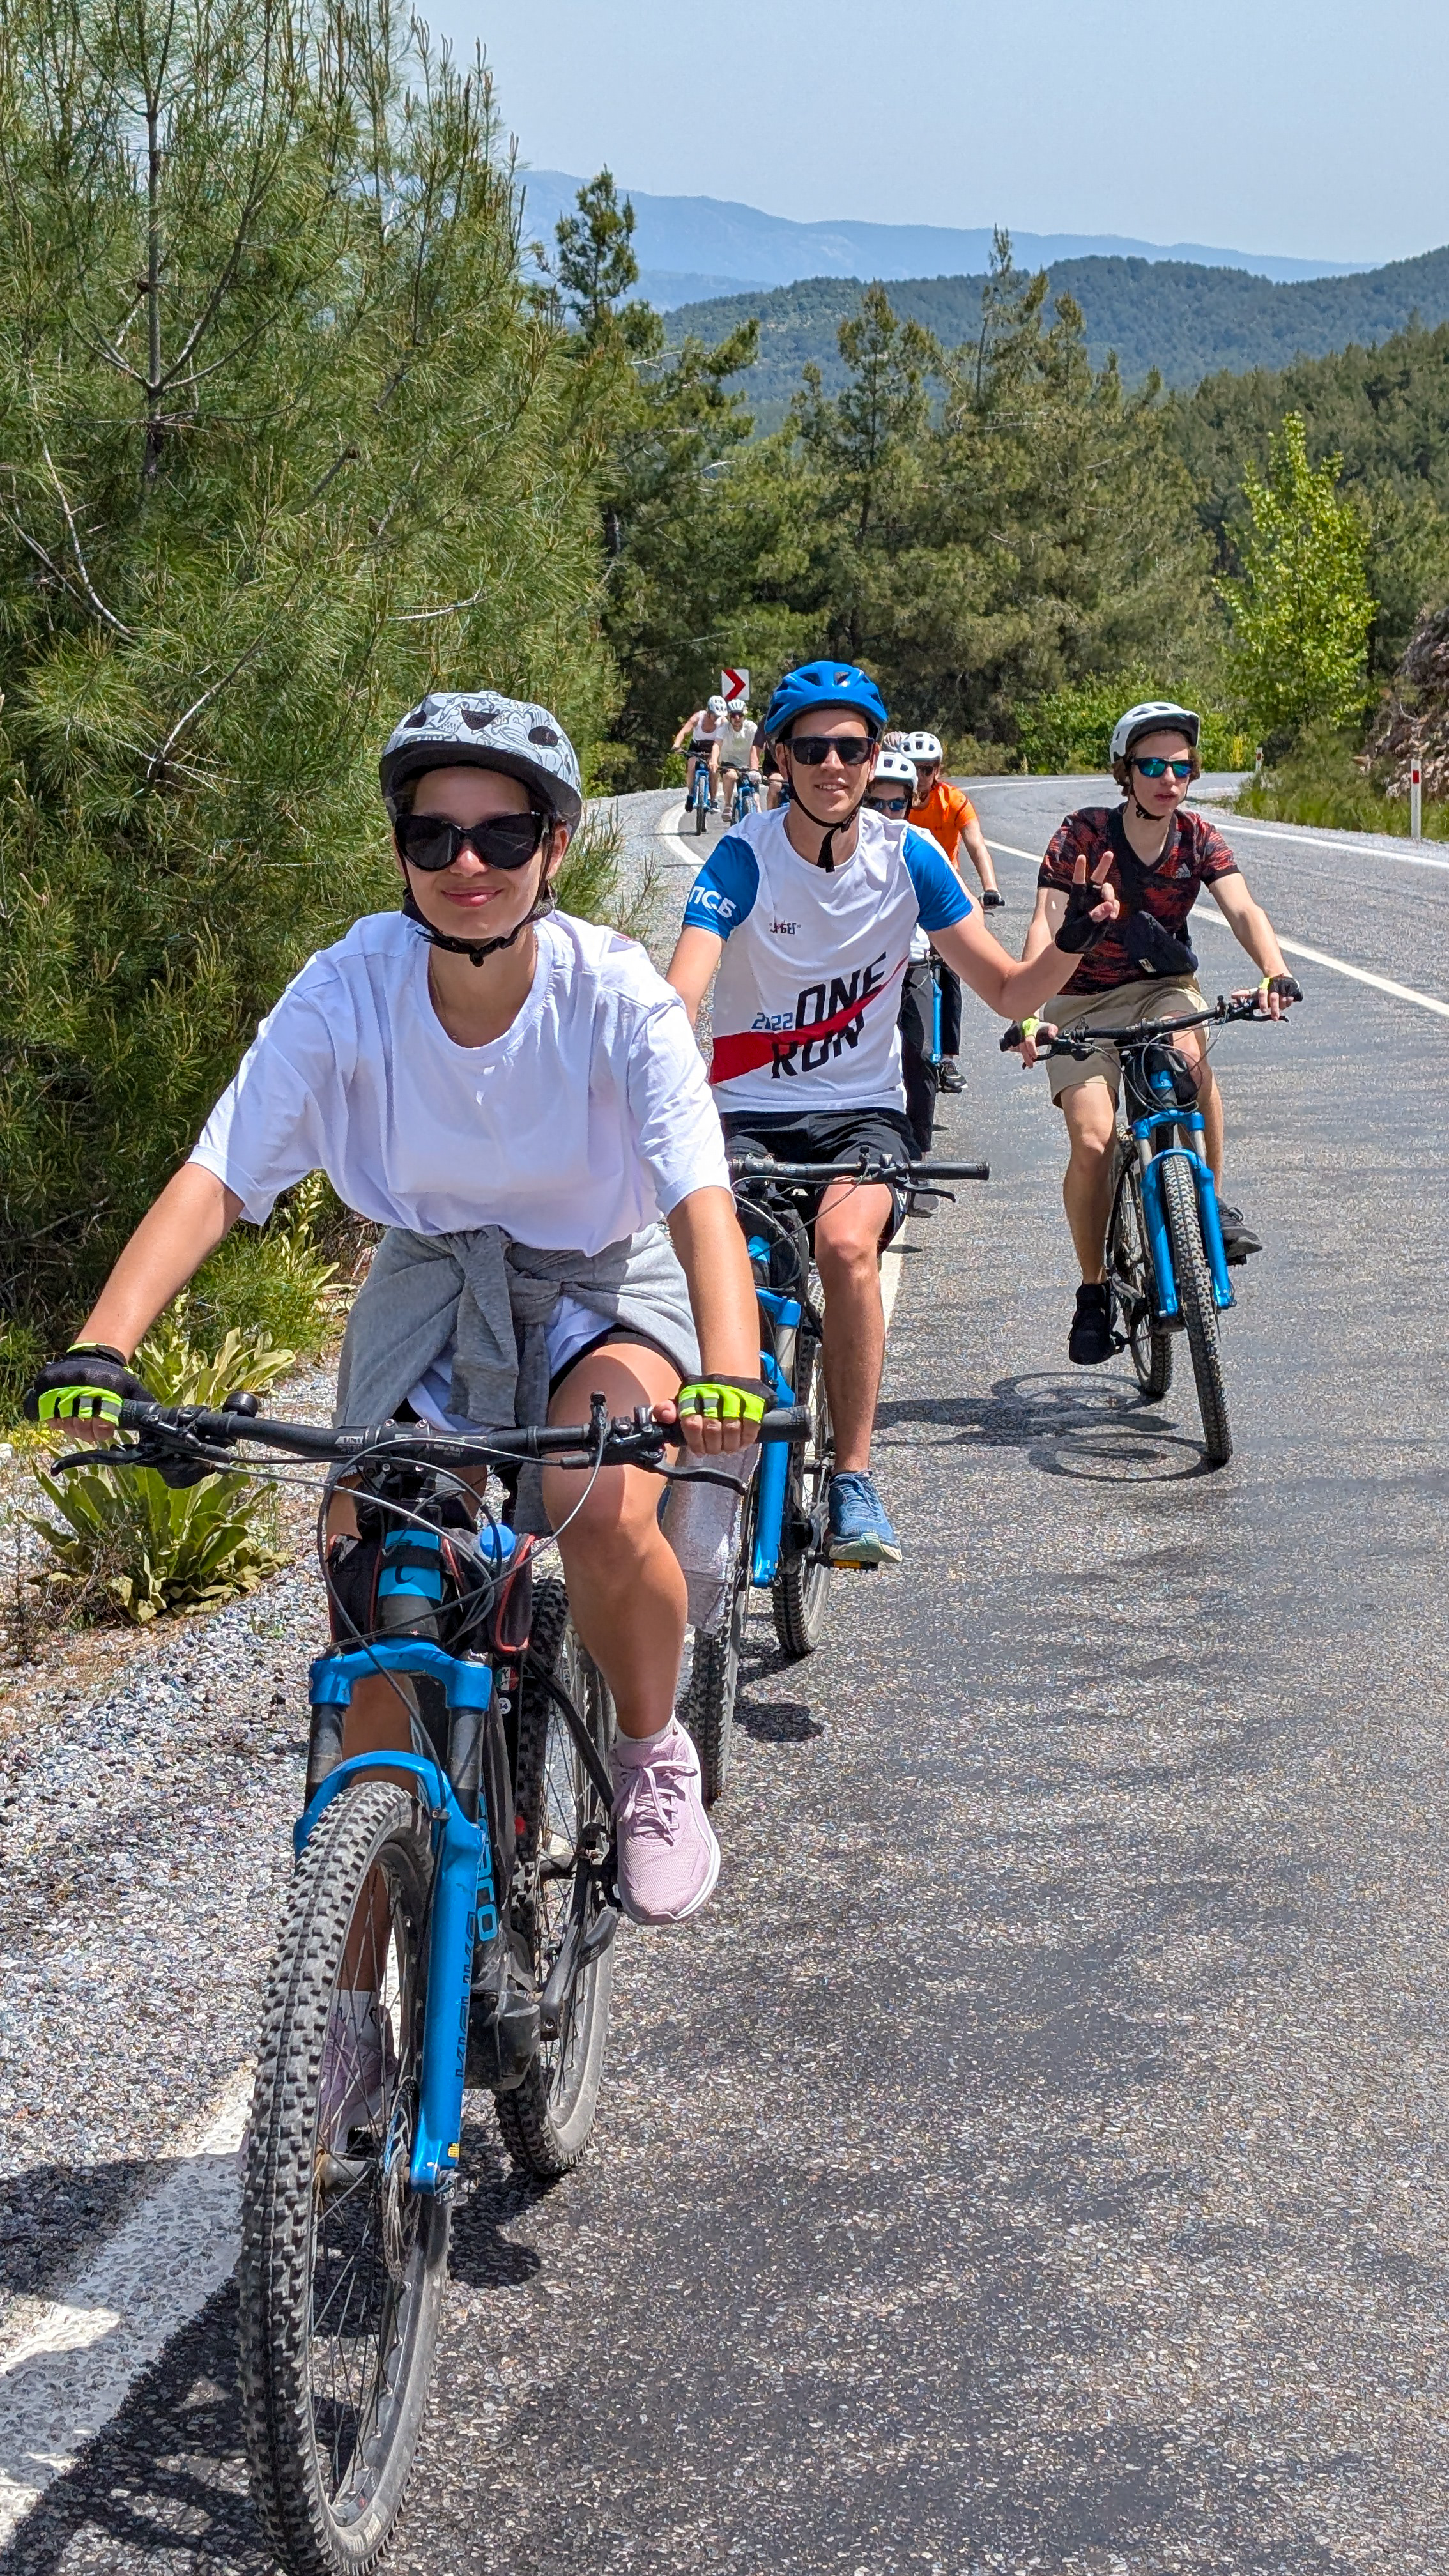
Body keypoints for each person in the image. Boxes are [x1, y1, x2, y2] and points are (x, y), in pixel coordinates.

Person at [26, 691, 767, 1932]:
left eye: (502, 835)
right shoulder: (348, 985)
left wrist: (729, 1375)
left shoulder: (614, 990)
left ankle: (649, 1751)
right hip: (432, 1281)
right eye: (434, 836)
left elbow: (699, 1201)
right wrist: (104, 1346)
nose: (467, 864)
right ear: (400, 850)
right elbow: (220, 1175)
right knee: (382, 1581)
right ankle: (348, 1991)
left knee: (597, 1499)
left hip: (600, 1276)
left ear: (554, 846)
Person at [665, 659, 1120, 1569]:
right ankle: (710, 1470)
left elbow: (1007, 990)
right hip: (747, 1115)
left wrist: (1071, 941)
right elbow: (683, 992)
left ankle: (854, 1479)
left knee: (844, 1248)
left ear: (876, 757)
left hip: (865, 1116)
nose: (833, 765)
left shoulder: (907, 855)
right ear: (780, 759)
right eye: (811, 749)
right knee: (722, 1275)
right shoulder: (743, 857)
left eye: (852, 748)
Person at [1013, 700, 1302, 1367]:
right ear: (1126, 771)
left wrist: (1275, 971)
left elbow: (1243, 908)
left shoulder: (1198, 837)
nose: (1168, 779)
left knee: (1191, 1064)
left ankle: (1210, 1208)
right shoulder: (1083, 833)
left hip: (1161, 988)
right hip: (1079, 1000)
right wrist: (1028, 1009)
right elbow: (1044, 919)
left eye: (1181, 767)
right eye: (1152, 766)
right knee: (1093, 1140)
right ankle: (1093, 1291)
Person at [900, 731, 1003, 1097]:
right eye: (913, 768)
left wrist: (990, 888)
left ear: (938, 771)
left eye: (927, 769)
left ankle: (947, 1059)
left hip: (943, 890)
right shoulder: (893, 797)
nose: (920, 777)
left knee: (951, 969)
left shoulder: (953, 801)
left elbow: (976, 844)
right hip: (901, 888)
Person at [866, 748, 938, 1157]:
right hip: (860, 972)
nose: (887, 814)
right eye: (876, 804)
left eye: (897, 805)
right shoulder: (839, 845)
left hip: (913, 965)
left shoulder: (921, 845)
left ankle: (919, 1155)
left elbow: (959, 910)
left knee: (922, 1055)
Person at [671, 693, 730, 815]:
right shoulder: (698, 717)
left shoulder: (723, 722)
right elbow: (683, 732)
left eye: (720, 715)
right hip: (696, 747)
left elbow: (724, 740)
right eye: (715, 715)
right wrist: (677, 745)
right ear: (709, 712)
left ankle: (713, 800)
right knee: (691, 766)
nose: (717, 718)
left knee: (714, 770)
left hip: (713, 748)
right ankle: (691, 794)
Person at [716, 702, 761, 823]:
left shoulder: (751, 727)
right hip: (729, 763)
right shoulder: (724, 728)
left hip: (748, 765)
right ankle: (728, 805)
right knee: (730, 776)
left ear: (744, 716)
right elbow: (717, 745)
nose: (737, 718)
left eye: (740, 715)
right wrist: (714, 761)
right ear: (729, 716)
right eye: (733, 715)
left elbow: (758, 746)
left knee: (757, 803)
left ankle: (757, 813)